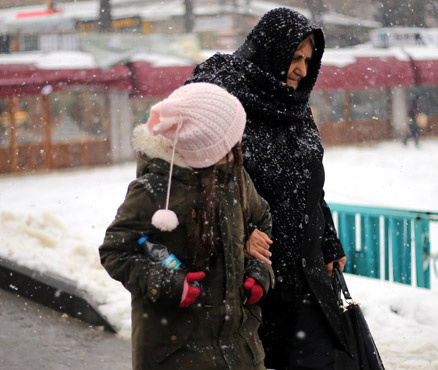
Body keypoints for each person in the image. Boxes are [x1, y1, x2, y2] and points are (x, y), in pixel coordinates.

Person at [187, 8, 357, 370]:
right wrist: (240, 234)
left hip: (307, 276)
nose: (301, 70)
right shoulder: (223, 103)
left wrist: (328, 241)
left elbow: (310, 185)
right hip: (250, 281)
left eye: (308, 60)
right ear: (270, 52)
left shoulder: (295, 107)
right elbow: (196, 189)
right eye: (294, 58)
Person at [98, 83, 274, 369]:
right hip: (176, 353)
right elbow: (116, 251)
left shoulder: (232, 175)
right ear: (205, 148)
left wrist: (258, 270)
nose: (237, 144)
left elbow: (262, 217)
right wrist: (167, 284)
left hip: (241, 350)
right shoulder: (155, 189)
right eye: (228, 139)